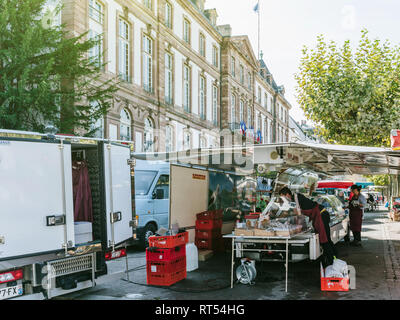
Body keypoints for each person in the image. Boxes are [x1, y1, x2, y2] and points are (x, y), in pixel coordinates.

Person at [279, 187, 336, 266]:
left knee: (325, 240)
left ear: (287, 194)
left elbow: (298, 212)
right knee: (326, 239)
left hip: (321, 215)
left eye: (283, 197)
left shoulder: (297, 197)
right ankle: (333, 259)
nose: (283, 199)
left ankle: (332, 262)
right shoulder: (295, 199)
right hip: (319, 216)